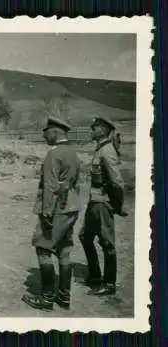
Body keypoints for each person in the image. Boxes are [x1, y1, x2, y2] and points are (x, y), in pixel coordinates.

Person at [21, 117, 82, 311]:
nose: (44, 135)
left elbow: (50, 186)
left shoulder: (53, 154)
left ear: (55, 132)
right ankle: (64, 297)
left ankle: (47, 298)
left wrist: (47, 212)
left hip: (56, 209)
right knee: (64, 251)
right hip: (71, 207)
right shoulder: (73, 152)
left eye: (46, 132)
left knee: (43, 249)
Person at [79, 116, 127, 296]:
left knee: (107, 243)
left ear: (103, 130)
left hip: (102, 203)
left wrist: (118, 205)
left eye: (94, 127)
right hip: (94, 202)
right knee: (84, 237)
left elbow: (117, 183)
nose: (91, 130)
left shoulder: (107, 151)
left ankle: (109, 284)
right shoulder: (100, 149)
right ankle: (95, 276)